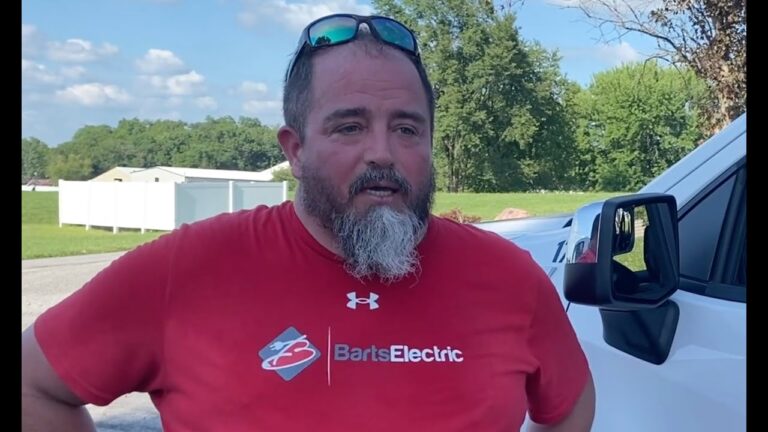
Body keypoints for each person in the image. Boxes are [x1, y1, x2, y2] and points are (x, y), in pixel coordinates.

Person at [22, 13, 594, 431]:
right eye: (350, 127)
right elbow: (33, 385)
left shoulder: (509, 278)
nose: (382, 153)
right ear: (295, 150)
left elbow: (570, 408)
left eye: (406, 128)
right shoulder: (188, 270)